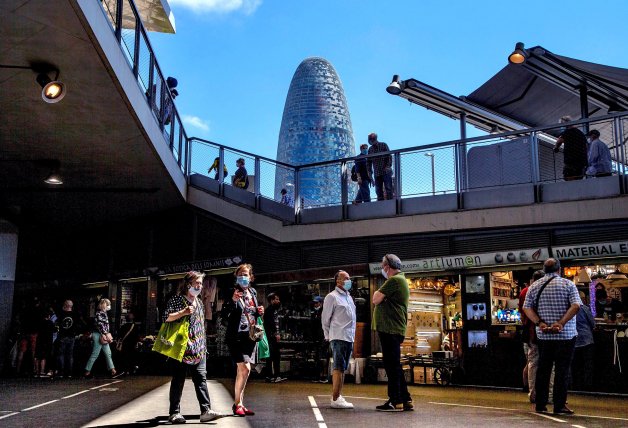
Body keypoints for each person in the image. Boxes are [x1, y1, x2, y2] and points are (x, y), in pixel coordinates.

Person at [523, 258, 581, 415]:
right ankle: (559, 404)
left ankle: (540, 404)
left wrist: (539, 322)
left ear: (544, 269)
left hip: (544, 335)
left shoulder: (534, 286)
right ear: (559, 269)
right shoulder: (568, 284)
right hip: (566, 335)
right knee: (562, 370)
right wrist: (561, 323)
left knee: (543, 369)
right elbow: (576, 305)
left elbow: (526, 307)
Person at [163, 271, 219, 424]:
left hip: (199, 349)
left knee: (201, 379)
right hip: (182, 348)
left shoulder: (200, 302)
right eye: (197, 283)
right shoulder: (177, 299)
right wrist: (183, 312)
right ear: (188, 284)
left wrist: (203, 345)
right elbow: (167, 317)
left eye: (201, 283)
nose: (199, 286)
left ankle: (205, 410)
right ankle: (174, 413)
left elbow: (201, 325)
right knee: (178, 380)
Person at [221, 263, 264, 417]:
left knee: (245, 370)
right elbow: (224, 315)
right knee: (244, 369)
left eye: (246, 274)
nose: (243, 277)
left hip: (250, 337)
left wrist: (260, 312)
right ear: (236, 277)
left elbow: (252, 313)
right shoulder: (231, 292)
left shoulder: (252, 292)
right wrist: (232, 301)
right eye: (240, 275)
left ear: (251, 277)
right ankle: (237, 404)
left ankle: (240, 404)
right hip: (236, 337)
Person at [372, 254, 412, 412]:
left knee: (391, 365)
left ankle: (395, 400)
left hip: (390, 328)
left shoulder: (394, 280)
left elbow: (375, 299)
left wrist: (381, 296)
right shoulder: (400, 280)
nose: (382, 268)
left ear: (387, 266)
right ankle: (406, 398)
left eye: (383, 265)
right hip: (393, 328)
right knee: (394, 364)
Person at [321, 270, 356, 409]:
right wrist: (328, 336)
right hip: (338, 336)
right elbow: (325, 319)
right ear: (338, 281)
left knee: (343, 368)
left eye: (349, 278)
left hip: (349, 337)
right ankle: (335, 398)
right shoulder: (332, 297)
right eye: (346, 278)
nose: (349, 280)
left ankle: (338, 395)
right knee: (338, 367)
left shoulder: (349, 297)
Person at [518, 270, 545, 402]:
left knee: (531, 362)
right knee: (548, 364)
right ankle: (548, 394)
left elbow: (523, 312)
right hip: (543, 331)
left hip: (529, 331)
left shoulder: (524, 291)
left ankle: (532, 393)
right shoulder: (545, 290)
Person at [84, 298, 118, 379]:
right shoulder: (100, 313)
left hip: (101, 335)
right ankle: (87, 372)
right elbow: (101, 325)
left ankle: (113, 370)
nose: (109, 306)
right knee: (97, 353)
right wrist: (105, 334)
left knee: (107, 353)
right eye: (108, 304)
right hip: (99, 335)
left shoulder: (102, 313)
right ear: (104, 305)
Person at [553, 116, 588, 181]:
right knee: (579, 179)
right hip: (581, 161)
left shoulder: (566, 132)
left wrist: (556, 148)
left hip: (571, 161)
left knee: (569, 178)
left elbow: (559, 141)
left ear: (564, 124)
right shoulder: (580, 133)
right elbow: (586, 146)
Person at [573, 293, 595, 390]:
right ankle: (588, 385)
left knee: (575, 364)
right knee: (587, 364)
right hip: (587, 339)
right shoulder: (585, 309)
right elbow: (592, 323)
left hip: (573, 339)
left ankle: (575, 384)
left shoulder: (568, 309)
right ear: (582, 298)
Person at [263, 292, 284, 383]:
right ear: (272, 301)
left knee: (273, 356)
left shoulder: (275, 310)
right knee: (273, 356)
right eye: (276, 299)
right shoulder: (269, 311)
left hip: (272, 336)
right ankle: (273, 375)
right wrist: (276, 334)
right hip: (270, 336)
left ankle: (273, 375)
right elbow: (270, 324)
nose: (278, 301)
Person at [367, 133, 393, 201]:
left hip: (385, 171)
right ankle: (381, 205)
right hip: (377, 173)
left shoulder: (383, 145)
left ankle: (391, 204)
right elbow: (368, 163)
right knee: (378, 191)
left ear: (375, 139)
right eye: (370, 140)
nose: (372, 141)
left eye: (372, 139)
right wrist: (370, 176)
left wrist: (388, 166)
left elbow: (389, 156)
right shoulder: (370, 149)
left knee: (388, 188)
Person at [56, 299, 78, 378]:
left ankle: (61, 372)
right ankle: (69, 373)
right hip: (71, 336)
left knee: (61, 354)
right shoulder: (75, 314)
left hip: (62, 335)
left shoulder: (61, 314)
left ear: (65, 305)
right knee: (70, 355)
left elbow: (57, 323)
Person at [311, 296, 328, 383]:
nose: (315, 304)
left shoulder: (324, 312)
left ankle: (324, 376)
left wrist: (326, 336)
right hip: (316, 337)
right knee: (317, 356)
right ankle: (317, 375)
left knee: (323, 356)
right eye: (315, 303)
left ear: (321, 303)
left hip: (323, 336)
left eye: (317, 303)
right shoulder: (314, 312)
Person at [34, 308, 55, 377]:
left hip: (39, 340)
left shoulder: (39, 322)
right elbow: (55, 330)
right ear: (48, 316)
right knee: (43, 357)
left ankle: (37, 371)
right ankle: (42, 371)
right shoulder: (50, 323)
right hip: (47, 341)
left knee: (37, 356)